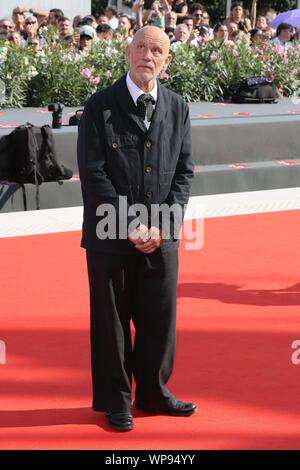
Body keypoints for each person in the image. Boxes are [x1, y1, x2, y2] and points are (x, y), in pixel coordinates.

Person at [77, 25, 196, 432]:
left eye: (157, 50)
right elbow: (93, 174)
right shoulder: (100, 106)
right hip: (110, 237)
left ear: (167, 61)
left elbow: (184, 172)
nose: (148, 55)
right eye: (141, 47)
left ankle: (154, 393)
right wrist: (131, 225)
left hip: (161, 236)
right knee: (111, 322)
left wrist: (161, 226)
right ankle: (117, 401)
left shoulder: (178, 107)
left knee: (159, 318)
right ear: (128, 53)